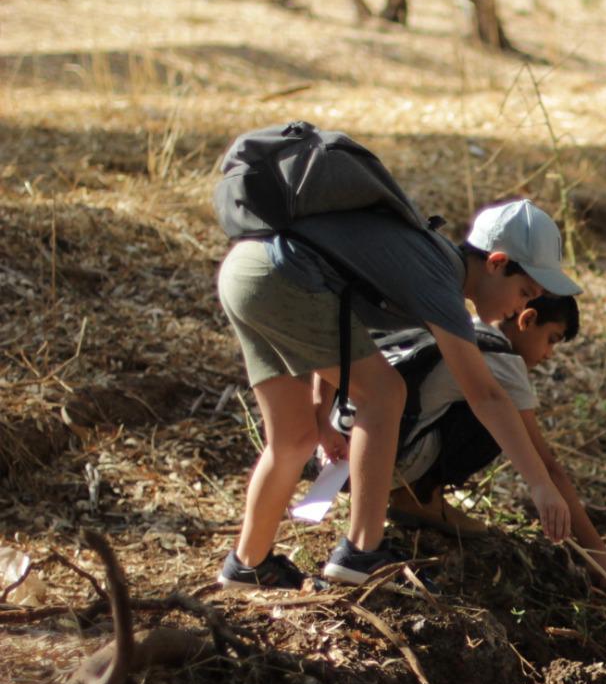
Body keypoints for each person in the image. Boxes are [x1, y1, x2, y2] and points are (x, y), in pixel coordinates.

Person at [215, 198, 577, 592]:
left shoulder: (422, 259)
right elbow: (486, 396)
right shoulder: (441, 282)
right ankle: (362, 551)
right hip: (284, 278)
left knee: (294, 437)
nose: (522, 306)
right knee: (385, 393)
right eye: (525, 292)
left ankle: (248, 564)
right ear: (496, 263)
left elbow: (344, 322)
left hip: (248, 269)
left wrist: (321, 411)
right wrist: (540, 485)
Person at [380, 295, 606, 586]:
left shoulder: (461, 326)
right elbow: (547, 465)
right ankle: (418, 496)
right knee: (500, 418)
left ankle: (409, 492)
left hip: (360, 455)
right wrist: (595, 550)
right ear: (528, 319)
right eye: (551, 339)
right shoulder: (502, 360)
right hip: (397, 463)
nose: (549, 353)